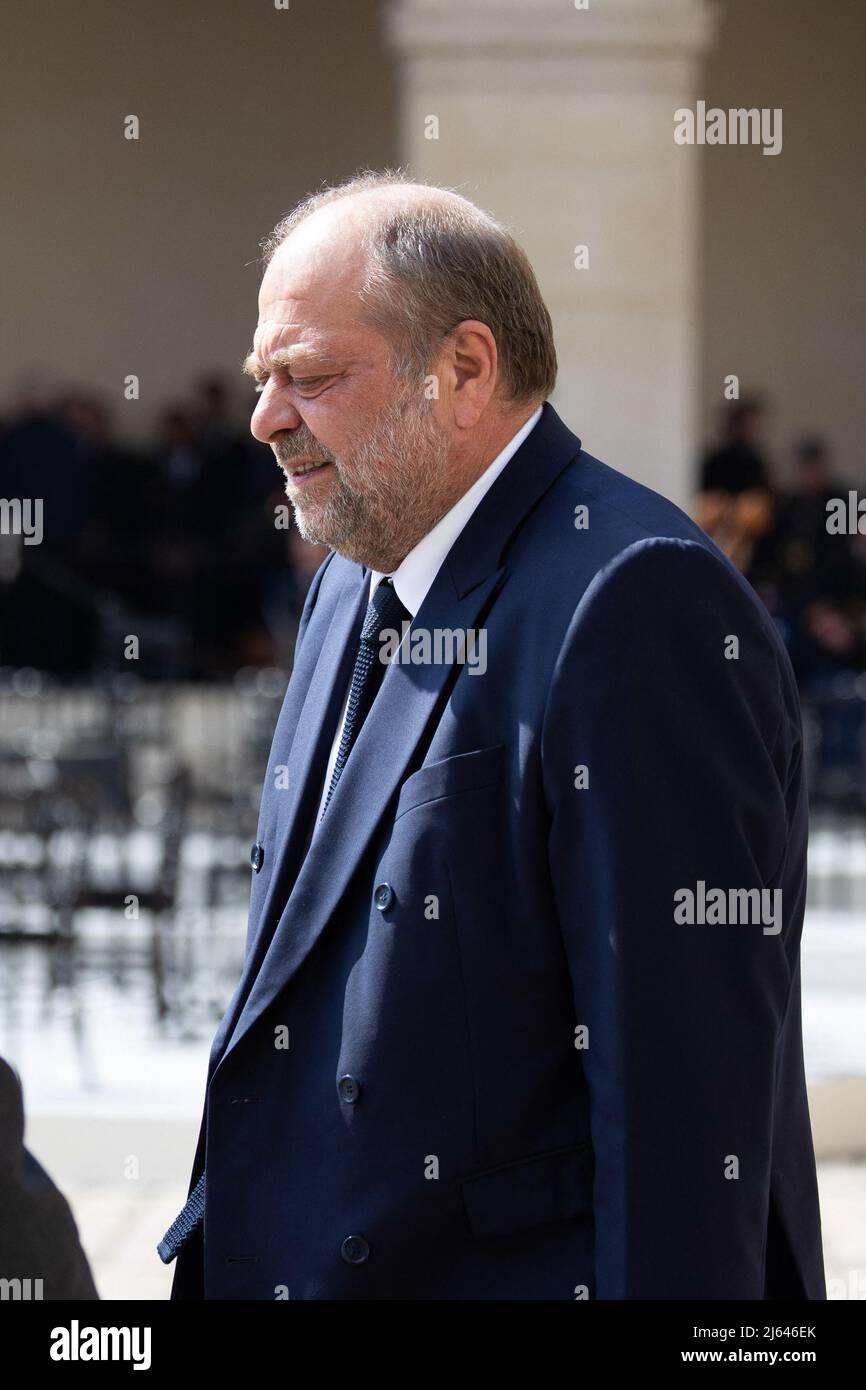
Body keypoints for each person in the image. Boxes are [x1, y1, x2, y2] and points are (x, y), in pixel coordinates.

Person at [160, 170, 825, 1300]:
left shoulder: (633, 598)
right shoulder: (344, 584)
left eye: (309, 376)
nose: (267, 417)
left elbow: (681, 1101)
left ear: (463, 369)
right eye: (261, 379)